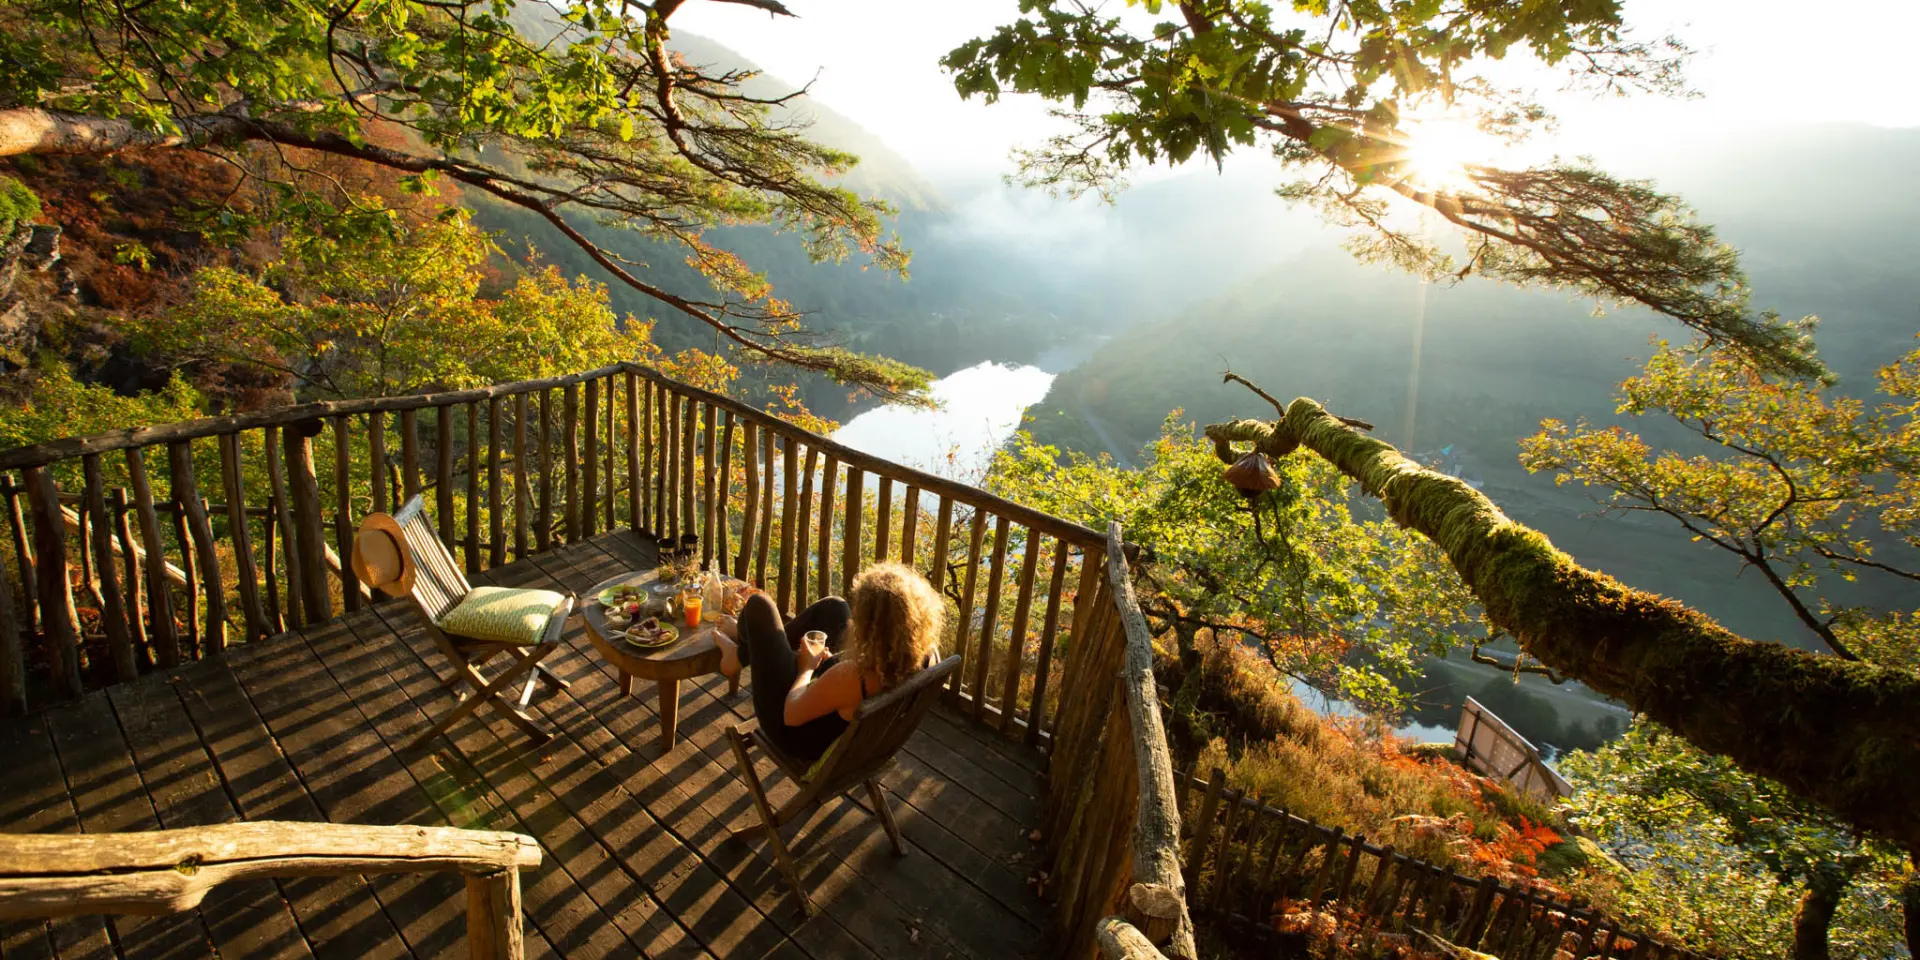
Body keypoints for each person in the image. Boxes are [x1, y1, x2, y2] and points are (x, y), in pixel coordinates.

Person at [714, 562, 943, 762]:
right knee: (834, 608)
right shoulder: (925, 657)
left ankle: (741, 652)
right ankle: (746, 646)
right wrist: (830, 662)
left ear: (872, 626)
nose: (853, 618)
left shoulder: (852, 677)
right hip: (839, 720)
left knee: (759, 606)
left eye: (859, 613)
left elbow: (791, 714)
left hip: (790, 729)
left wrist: (807, 668)